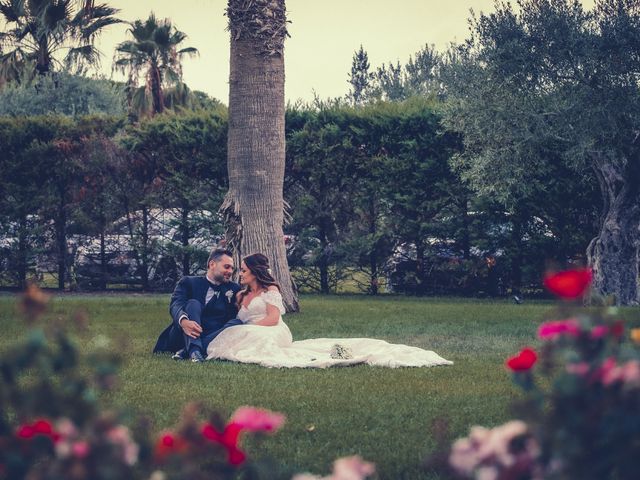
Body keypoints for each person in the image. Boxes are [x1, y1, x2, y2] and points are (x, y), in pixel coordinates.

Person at [206, 253, 453, 368]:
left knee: (250, 336)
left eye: (244, 270)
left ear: (255, 272)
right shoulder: (240, 295)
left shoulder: (270, 290)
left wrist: (248, 328)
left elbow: (272, 319)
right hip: (252, 329)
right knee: (236, 334)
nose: (240, 274)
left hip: (271, 329)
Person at [153, 248, 242, 362]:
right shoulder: (188, 282)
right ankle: (194, 349)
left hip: (211, 335)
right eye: (226, 267)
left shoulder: (234, 289)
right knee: (193, 304)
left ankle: (191, 350)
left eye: (232, 268)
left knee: (237, 322)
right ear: (212, 264)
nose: (230, 271)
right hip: (182, 334)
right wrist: (183, 322)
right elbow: (176, 304)